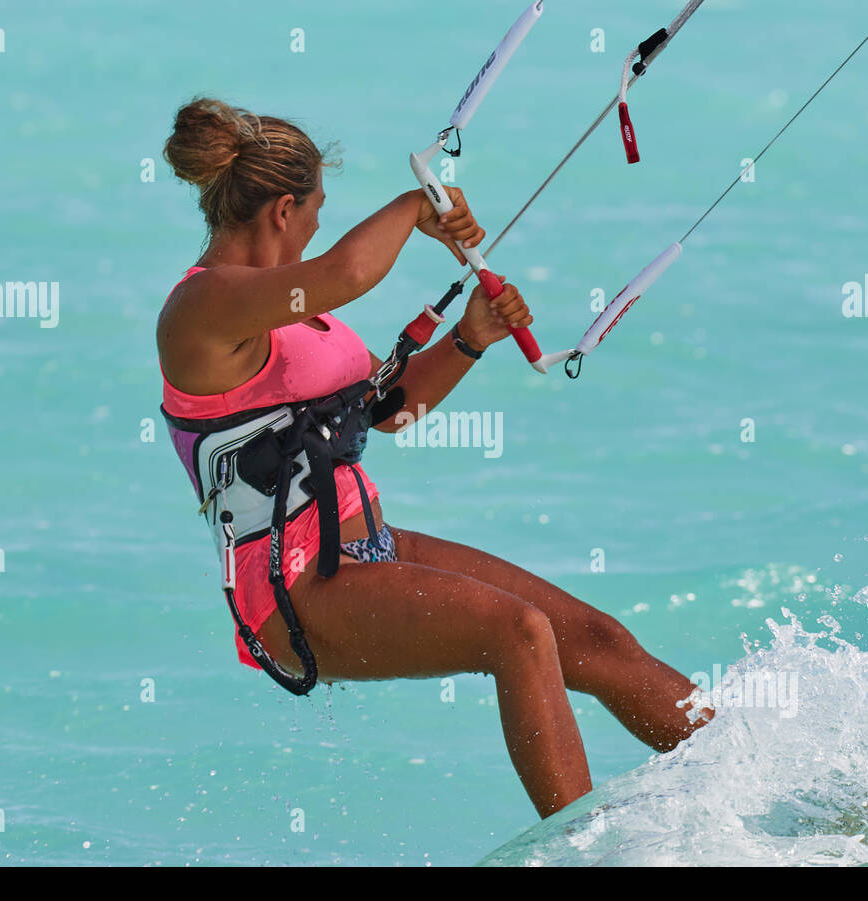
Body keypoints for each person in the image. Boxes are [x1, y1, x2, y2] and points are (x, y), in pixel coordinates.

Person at [157, 97, 710, 818]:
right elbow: (352, 270)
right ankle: (586, 852)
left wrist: (471, 338)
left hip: (371, 551)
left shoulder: (297, 315)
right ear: (284, 210)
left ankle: (773, 780)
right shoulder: (201, 312)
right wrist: (415, 205)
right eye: (320, 209)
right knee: (517, 631)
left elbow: (388, 415)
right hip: (295, 592)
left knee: (594, 638)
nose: (322, 226)